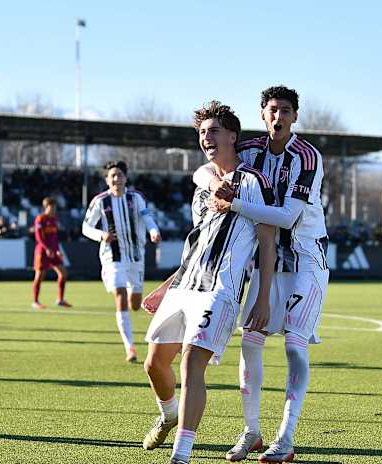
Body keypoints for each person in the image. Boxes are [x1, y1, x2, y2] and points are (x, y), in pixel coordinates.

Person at [192, 86, 328, 462]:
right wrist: (214, 186)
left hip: (305, 261)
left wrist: (232, 202)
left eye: (285, 110)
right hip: (266, 264)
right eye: (271, 110)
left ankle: (286, 437)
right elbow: (203, 170)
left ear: (295, 116)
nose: (278, 116)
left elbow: (287, 216)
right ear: (263, 114)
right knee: (250, 340)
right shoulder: (251, 150)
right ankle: (252, 431)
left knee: (293, 346)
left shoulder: (307, 156)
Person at [141, 101, 276, 464]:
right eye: (202, 133)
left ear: (233, 135)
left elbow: (267, 243)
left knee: (191, 365)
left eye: (213, 131)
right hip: (185, 285)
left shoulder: (254, 182)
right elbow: (198, 241)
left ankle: (181, 455)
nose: (206, 138)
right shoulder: (202, 185)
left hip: (221, 290)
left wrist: (262, 298)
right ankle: (169, 414)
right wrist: (167, 285)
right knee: (154, 364)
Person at [82, 160, 161, 363]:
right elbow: (86, 227)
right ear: (107, 179)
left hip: (136, 257)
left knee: (135, 303)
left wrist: (154, 231)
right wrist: (101, 235)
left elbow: (147, 217)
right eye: (112, 176)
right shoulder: (100, 201)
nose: (116, 179)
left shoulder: (136, 198)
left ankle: (133, 309)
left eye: (119, 175)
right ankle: (130, 348)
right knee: (120, 295)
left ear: (126, 178)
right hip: (112, 257)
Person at [31, 197, 71, 309]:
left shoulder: (54, 219)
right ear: (46, 207)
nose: (54, 209)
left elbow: (54, 238)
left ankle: (60, 299)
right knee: (39, 276)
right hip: (42, 252)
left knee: (63, 273)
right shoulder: (40, 219)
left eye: (55, 207)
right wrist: (47, 248)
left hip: (53, 251)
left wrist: (57, 250)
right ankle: (35, 301)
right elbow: (38, 237)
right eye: (51, 207)